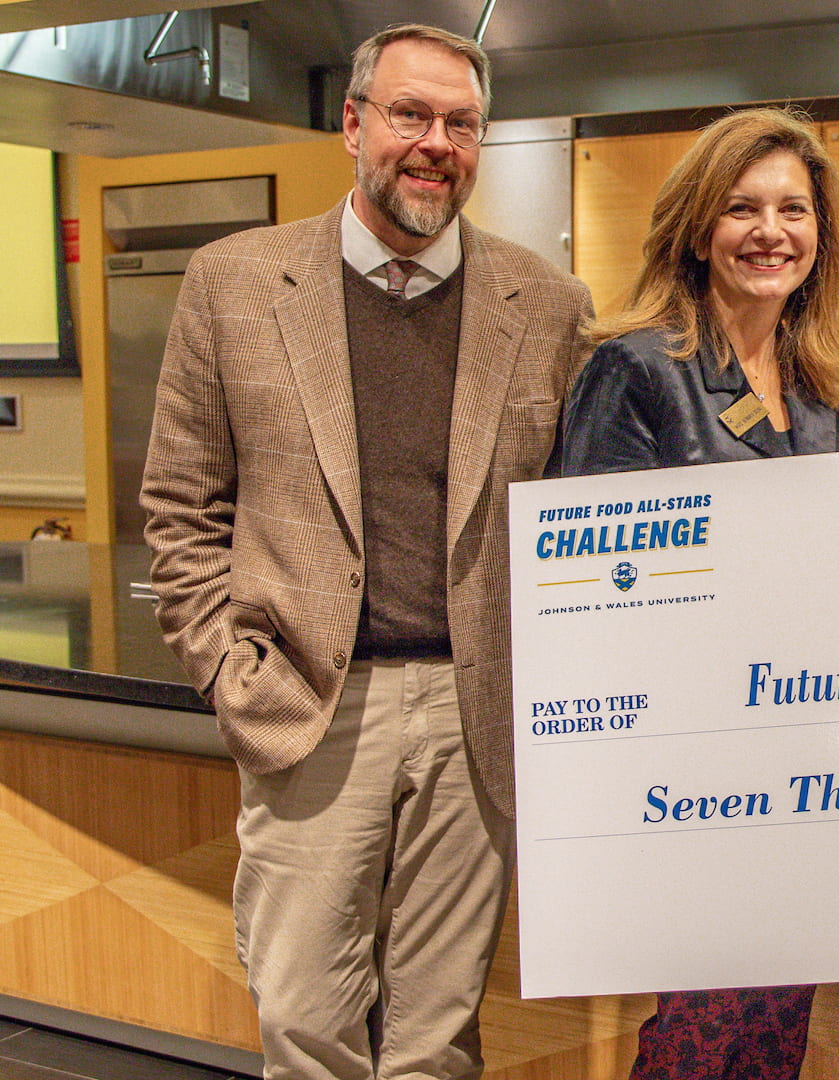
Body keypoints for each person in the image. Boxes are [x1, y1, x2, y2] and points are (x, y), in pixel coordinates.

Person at [140, 24, 593, 1080]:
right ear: (353, 126)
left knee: (437, 1039)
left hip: (474, 715)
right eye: (410, 115)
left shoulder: (549, 306)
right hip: (304, 702)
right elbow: (178, 505)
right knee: (302, 1019)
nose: (436, 143)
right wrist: (225, 666)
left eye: (462, 123)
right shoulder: (234, 284)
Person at [544, 106, 839, 1080]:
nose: (772, 232)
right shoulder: (638, 370)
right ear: (696, 229)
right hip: (684, 772)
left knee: (771, 1033)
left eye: (793, 210)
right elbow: (586, 596)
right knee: (701, 1036)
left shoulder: (815, 387)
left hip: (793, 763)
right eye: (742, 209)